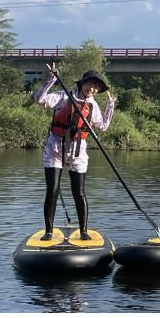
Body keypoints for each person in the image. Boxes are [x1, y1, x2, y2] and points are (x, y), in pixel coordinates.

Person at [33, 64, 116, 240]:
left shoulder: (92, 106)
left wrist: (110, 106)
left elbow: (103, 126)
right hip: (55, 148)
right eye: (90, 84)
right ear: (82, 83)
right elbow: (39, 99)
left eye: (96, 87)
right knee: (52, 190)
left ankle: (83, 231)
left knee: (79, 192)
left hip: (78, 151)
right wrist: (51, 80)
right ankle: (49, 231)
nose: (92, 89)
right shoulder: (63, 97)